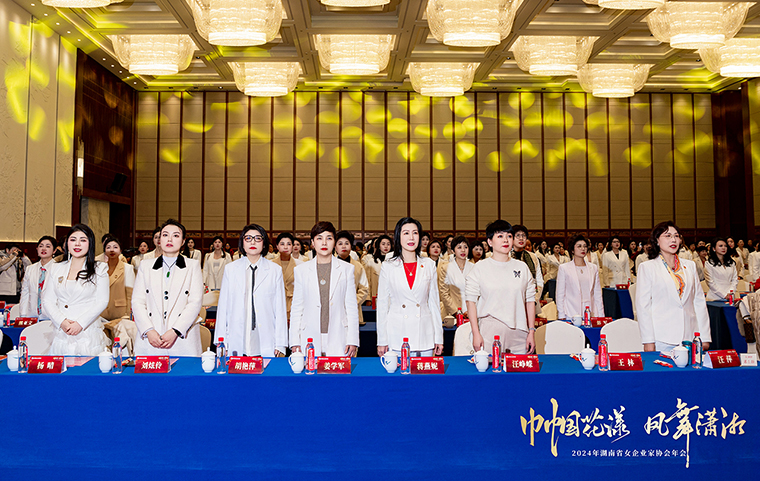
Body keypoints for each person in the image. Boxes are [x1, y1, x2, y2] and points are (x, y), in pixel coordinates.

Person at [131, 219, 204, 357]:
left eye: (175, 235)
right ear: (159, 240)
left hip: (182, 339)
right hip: (151, 338)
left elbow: (195, 302)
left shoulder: (192, 266)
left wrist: (175, 331)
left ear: (183, 241)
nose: (169, 239)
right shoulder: (145, 266)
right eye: (165, 235)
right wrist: (148, 330)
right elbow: (137, 301)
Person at [636, 221, 710, 352]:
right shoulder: (647, 267)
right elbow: (643, 307)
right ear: (657, 240)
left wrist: (705, 336)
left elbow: (699, 301)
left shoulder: (690, 266)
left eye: (676, 236)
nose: (673, 240)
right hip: (662, 337)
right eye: (668, 236)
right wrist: (648, 340)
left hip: (690, 336)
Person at [215, 224, 288, 357]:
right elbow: (223, 307)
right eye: (248, 238)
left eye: (257, 238)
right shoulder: (231, 269)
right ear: (242, 243)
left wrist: (280, 343)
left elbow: (280, 309)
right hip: (237, 334)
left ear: (264, 244)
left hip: (265, 335)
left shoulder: (274, 270)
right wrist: (221, 341)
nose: (253, 242)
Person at [466, 220, 536, 355]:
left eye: (509, 236)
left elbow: (530, 300)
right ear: (490, 242)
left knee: (518, 368)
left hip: (520, 331)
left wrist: (531, 331)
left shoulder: (522, 267)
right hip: (489, 331)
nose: (506, 240)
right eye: (500, 236)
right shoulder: (480, 268)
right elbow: (470, 302)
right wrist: (475, 332)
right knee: (491, 368)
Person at [290, 222, 360, 357]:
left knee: (335, 370)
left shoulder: (347, 269)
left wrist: (353, 339)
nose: (324, 243)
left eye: (329, 238)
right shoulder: (301, 270)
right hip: (309, 334)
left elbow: (351, 307)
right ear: (312, 243)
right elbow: (297, 308)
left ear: (334, 242)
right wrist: (294, 341)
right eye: (319, 238)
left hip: (339, 334)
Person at [376, 218, 443, 357]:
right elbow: (382, 305)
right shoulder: (388, 266)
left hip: (424, 333)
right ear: (398, 237)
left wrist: (438, 337)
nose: (411, 237)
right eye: (406, 233)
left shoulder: (429, 264)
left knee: (424, 371)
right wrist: (382, 340)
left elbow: (434, 303)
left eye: (415, 233)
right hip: (397, 333)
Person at [41, 224, 109, 356]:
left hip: (87, 332)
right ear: (67, 243)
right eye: (73, 239)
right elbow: (48, 301)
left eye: (83, 240)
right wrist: (62, 322)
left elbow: (102, 301)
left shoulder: (99, 268)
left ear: (90, 243)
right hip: (62, 332)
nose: (77, 244)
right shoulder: (56, 268)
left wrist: (80, 324)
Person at [556, 235, 604, 320]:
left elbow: (597, 293)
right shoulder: (564, 268)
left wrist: (601, 315)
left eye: (585, 246)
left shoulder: (593, 268)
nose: (583, 249)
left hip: (591, 311)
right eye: (579, 246)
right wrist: (561, 315)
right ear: (572, 250)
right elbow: (560, 294)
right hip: (571, 311)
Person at [335, 230, 369, 325]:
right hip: (334, 310)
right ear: (335, 247)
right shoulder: (330, 265)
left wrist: (352, 302)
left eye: (347, 243)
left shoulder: (358, 266)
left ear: (351, 246)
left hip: (353, 309)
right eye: (340, 244)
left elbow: (364, 289)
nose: (344, 246)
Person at [19, 236, 57, 318]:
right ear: (37, 249)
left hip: (52, 317)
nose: (43, 249)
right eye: (41, 246)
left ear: (54, 250)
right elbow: (25, 293)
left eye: (48, 246)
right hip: (32, 316)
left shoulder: (59, 269)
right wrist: (23, 314)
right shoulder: (30, 269)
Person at [438, 236, 473, 319]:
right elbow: (444, 293)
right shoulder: (446, 268)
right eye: (459, 247)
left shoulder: (474, 267)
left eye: (465, 247)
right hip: (453, 313)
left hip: (471, 311)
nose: (463, 250)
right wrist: (457, 312)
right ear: (453, 251)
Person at [100, 237, 135, 322]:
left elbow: (130, 294)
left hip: (120, 313)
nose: (112, 250)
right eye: (108, 247)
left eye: (115, 247)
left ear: (120, 250)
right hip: (102, 313)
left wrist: (128, 314)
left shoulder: (127, 268)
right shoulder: (100, 268)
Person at [271, 232, 304, 321]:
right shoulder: (271, 265)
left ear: (292, 246)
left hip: (294, 305)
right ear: (277, 246)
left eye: (289, 244)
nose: (285, 247)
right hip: (275, 305)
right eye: (282, 244)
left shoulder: (300, 265)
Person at [511, 225, 544, 309]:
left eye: (523, 236)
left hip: (531, 300)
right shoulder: (506, 256)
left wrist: (534, 299)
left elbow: (539, 280)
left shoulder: (533, 256)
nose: (521, 238)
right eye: (518, 235)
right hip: (511, 301)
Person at [704, 238, 739, 302]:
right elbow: (710, 282)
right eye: (720, 246)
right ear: (714, 248)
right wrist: (724, 295)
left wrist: (731, 292)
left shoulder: (731, 262)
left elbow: (735, 279)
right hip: (714, 298)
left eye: (725, 246)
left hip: (730, 296)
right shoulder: (709, 263)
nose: (723, 248)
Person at [365, 234, 392, 299]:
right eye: (383, 244)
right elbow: (367, 281)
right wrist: (368, 298)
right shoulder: (371, 262)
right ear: (379, 246)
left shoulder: (395, 262)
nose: (386, 246)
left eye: (388, 244)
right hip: (376, 295)